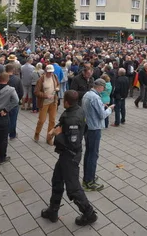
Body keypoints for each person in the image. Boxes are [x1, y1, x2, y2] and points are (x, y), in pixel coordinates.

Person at [41, 90, 98, 226]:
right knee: (57, 180)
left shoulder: (72, 117)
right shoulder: (76, 110)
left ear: (66, 102)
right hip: (66, 156)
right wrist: (57, 128)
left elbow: (73, 142)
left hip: (70, 155)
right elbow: (65, 125)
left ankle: (89, 214)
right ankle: (53, 210)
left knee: (73, 188)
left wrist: (56, 135)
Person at [82, 78, 114, 191]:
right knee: (93, 155)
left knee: (88, 153)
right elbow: (102, 115)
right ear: (99, 86)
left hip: (87, 126)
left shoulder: (87, 94)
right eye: (103, 88)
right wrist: (109, 109)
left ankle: (87, 177)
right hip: (94, 128)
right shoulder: (95, 97)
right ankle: (89, 182)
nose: (103, 90)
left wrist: (102, 106)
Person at [34, 65, 59, 144]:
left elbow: (58, 84)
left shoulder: (54, 76)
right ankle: (37, 133)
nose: (50, 74)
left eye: (51, 72)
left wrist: (57, 88)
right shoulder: (41, 79)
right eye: (49, 72)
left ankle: (49, 138)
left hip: (53, 102)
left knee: (52, 120)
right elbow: (36, 92)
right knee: (41, 120)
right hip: (44, 103)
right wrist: (46, 95)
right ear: (45, 71)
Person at [5, 63, 23, 140]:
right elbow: (21, 92)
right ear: (13, 70)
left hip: (4, 102)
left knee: (5, 119)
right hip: (14, 102)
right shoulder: (17, 79)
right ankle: (12, 134)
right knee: (13, 119)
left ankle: (4, 134)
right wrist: (18, 99)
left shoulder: (2, 78)